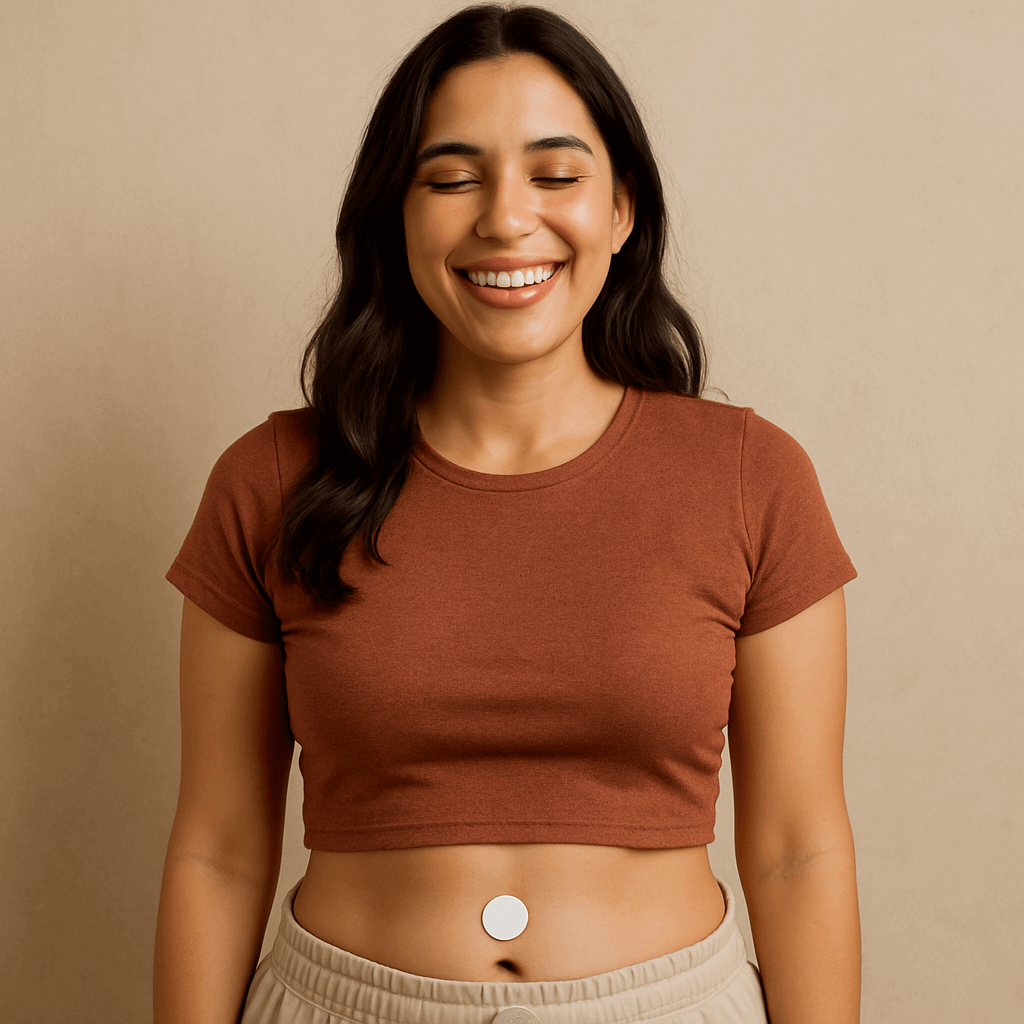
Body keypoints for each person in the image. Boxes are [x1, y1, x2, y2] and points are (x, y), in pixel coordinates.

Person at [153, 5, 861, 1023]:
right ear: (396, 216)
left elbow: (799, 848)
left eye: (556, 174)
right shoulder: (270, 480)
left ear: (621, 210)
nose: (505, 218)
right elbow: (218, 849)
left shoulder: (754, 477)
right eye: (451, 179)